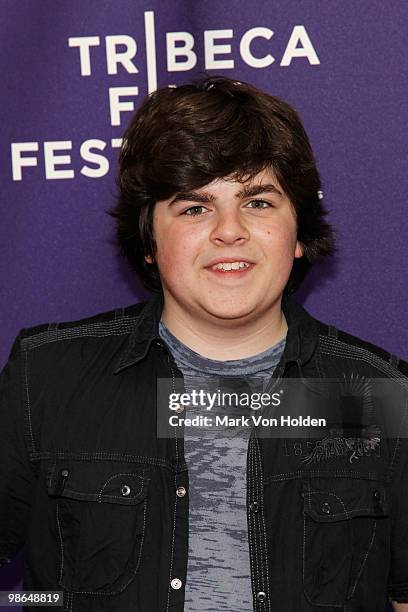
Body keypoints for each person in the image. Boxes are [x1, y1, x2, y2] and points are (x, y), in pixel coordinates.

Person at [0, 76, 407, 612]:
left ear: (299, 234)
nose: (229, 230)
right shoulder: (46, 378)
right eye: (195, 208)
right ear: (149, 240)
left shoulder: (380, 395)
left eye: (258, 202)